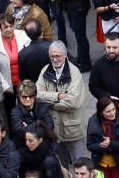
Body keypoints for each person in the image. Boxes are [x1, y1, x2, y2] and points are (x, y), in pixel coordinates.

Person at [36, 40, 90, 171]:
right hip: (54, 130)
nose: (55, 59)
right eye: (52, 56)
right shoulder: (45, 71)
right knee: (61, 167)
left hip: (72, 129)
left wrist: (49, 102)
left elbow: (73, 102)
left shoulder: (74, 73)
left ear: (65, 55)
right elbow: (37, 95)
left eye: (58, 56)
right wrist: (58, 96)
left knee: (80, 165)